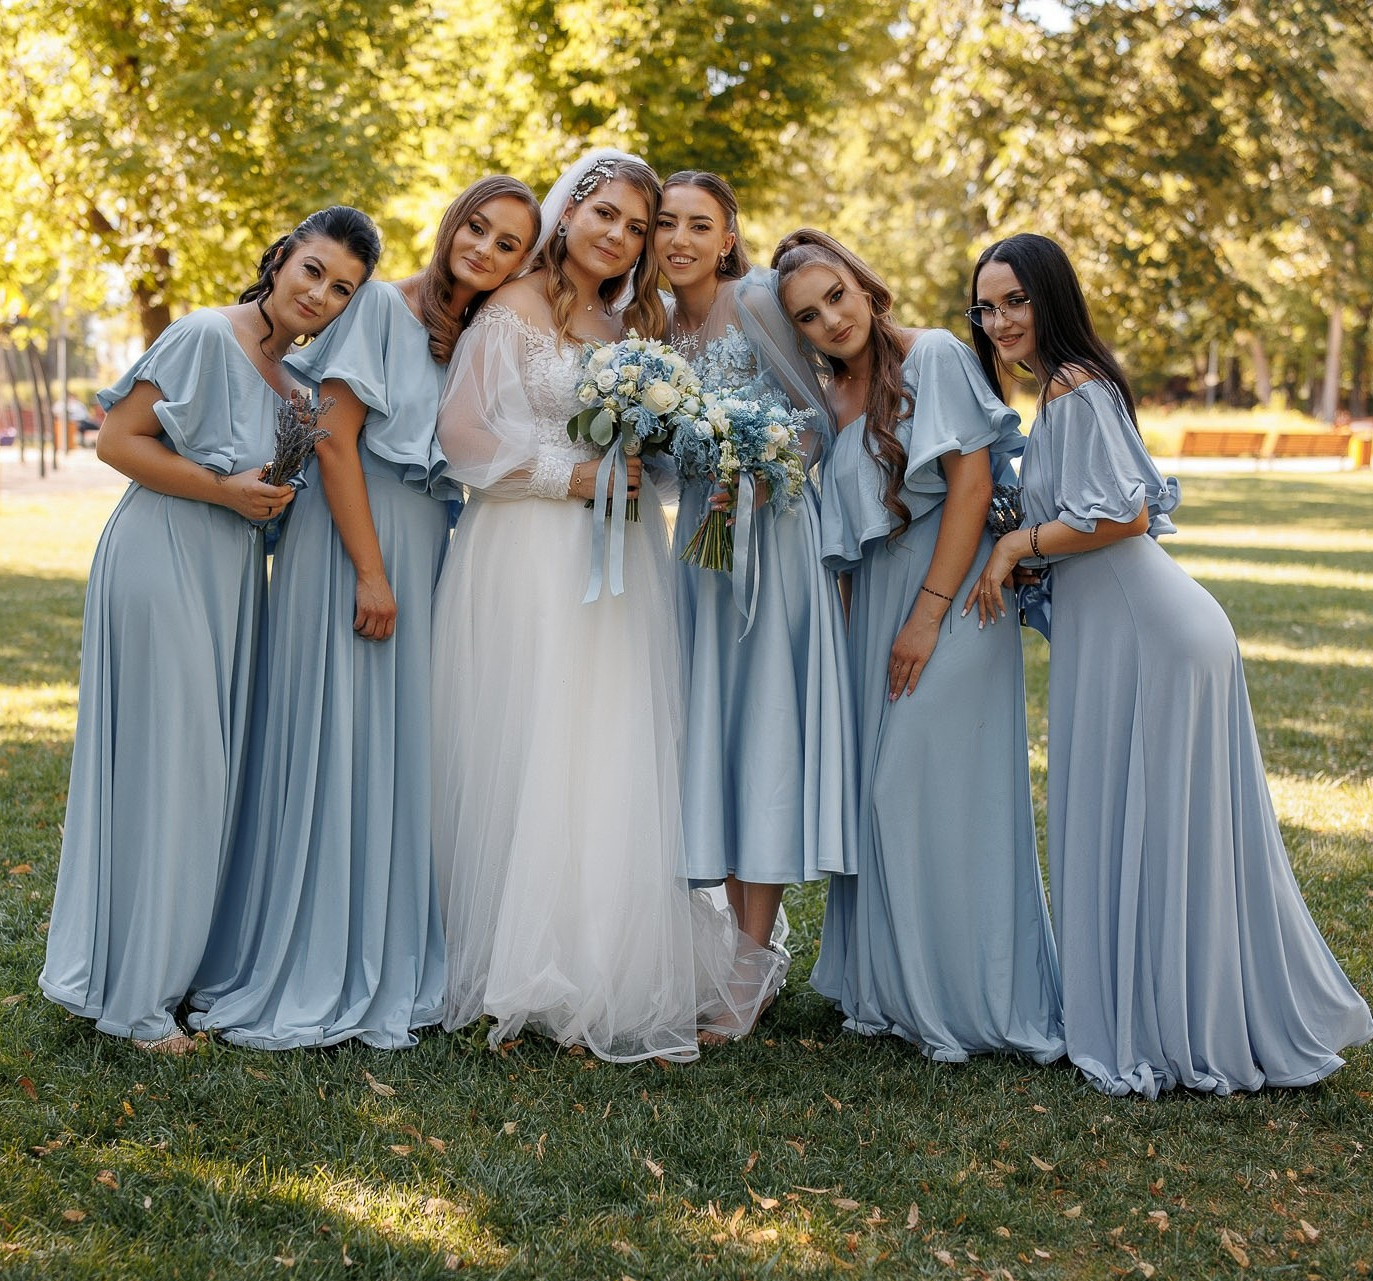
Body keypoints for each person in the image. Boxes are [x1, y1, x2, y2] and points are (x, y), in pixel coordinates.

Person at [965, 232, 1373, 1097]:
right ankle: (1176, 1009)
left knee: (1155, 827)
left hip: (1149, 636)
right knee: (1159, 829)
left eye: (1015, 301)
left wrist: (1013, 546)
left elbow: (1123, 516)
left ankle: (1174, 1023)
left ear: (1051, 297)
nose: (999, 321)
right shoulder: (1069, 388)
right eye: (986, 307)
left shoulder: (1073, 387)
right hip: (1133, 631)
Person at [432, 150, 786, 1063]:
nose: (621, 237)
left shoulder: (632, 326)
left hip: (625, 556)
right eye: (608, 216)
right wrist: (574, 476)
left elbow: (650, 454)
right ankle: (524, 959)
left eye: (637, 226)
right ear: (570, 210)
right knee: (536, 735)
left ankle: (605, 956)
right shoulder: (512, 305)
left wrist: (672, 458)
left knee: (609, 741)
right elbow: (461, 435)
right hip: (530, 550)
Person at [187, 179, 540, 1050]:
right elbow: (334, 440)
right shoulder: (380, 305)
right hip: (352, 543)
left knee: (392, 744)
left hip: (423, 544)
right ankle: (308, 953)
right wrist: (371, 572)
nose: (485, 250)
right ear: (451, 224)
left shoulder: (473, 335)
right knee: (334, 735)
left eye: (508, 245)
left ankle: (380, 944)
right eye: (478, 228)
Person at [38, 207, 380, 1052]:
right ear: (281, 259)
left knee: (203, 776)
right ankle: (137, 1003)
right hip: (161, 557)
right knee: (173, 769)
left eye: (342, 289)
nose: (320, 295)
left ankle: (159, 967)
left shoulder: (295, 387)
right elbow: (118, 441)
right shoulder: (202, 335)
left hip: (231, 580)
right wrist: (225, 490)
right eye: (313, 270)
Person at [774, 229, 1065, 1065]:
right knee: (883, 795)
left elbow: (971, 487)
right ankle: (896, 993)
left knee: (918, 787)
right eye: (808, 316)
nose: (831, 320)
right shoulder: (828, 399)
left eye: (836, 295)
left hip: (958, 595)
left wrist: (928, 615)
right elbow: (843, 538)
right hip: (874, 608)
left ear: (864, 285)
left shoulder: (934, 355)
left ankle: (975, 998)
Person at [657, 171, 853, 968]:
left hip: (772, 536)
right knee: (718, 728)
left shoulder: (761, 300)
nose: (679, 239)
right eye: (665, 223)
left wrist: (766, 472)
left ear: (727, 239)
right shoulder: (655, 325)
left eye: (699, 225)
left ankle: (749, 961)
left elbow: (820, 415)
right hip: (701, 542)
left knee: (762, 723)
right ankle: (745, 947)